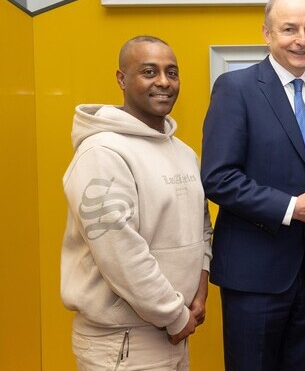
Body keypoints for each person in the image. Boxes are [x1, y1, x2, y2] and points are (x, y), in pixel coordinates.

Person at [201, 0, 305, 371]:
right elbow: (218, 177)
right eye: (290, 29)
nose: (302, 39)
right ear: (267, 34)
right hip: (254, 275)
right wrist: (292, 208)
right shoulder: (236, 89)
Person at [61, 35, 212, 370]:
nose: (163, 82)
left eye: (172, 73)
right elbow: (120, 252)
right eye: (149, 71)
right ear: (122, 79)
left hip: (176, 332)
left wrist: (199, 295)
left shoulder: (184, 153)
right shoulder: (101, 153)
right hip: (122, 344)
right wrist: (174, 315)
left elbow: (202, 228)